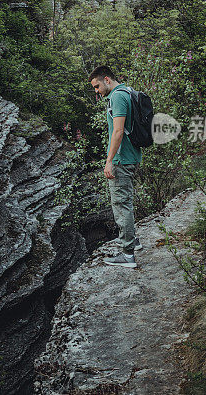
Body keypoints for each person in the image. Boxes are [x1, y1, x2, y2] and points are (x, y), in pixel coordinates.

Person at [89, 65, 143, 268]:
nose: (97, 91)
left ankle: (128, 255)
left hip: (122, 160)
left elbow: (118, 131)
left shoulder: (117, 97)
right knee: (126, 201)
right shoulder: (128, 91)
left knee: (121, 205)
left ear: (107, 80)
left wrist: (109, 161)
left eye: (97, 86)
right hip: (132, 157)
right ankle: (134, 242)